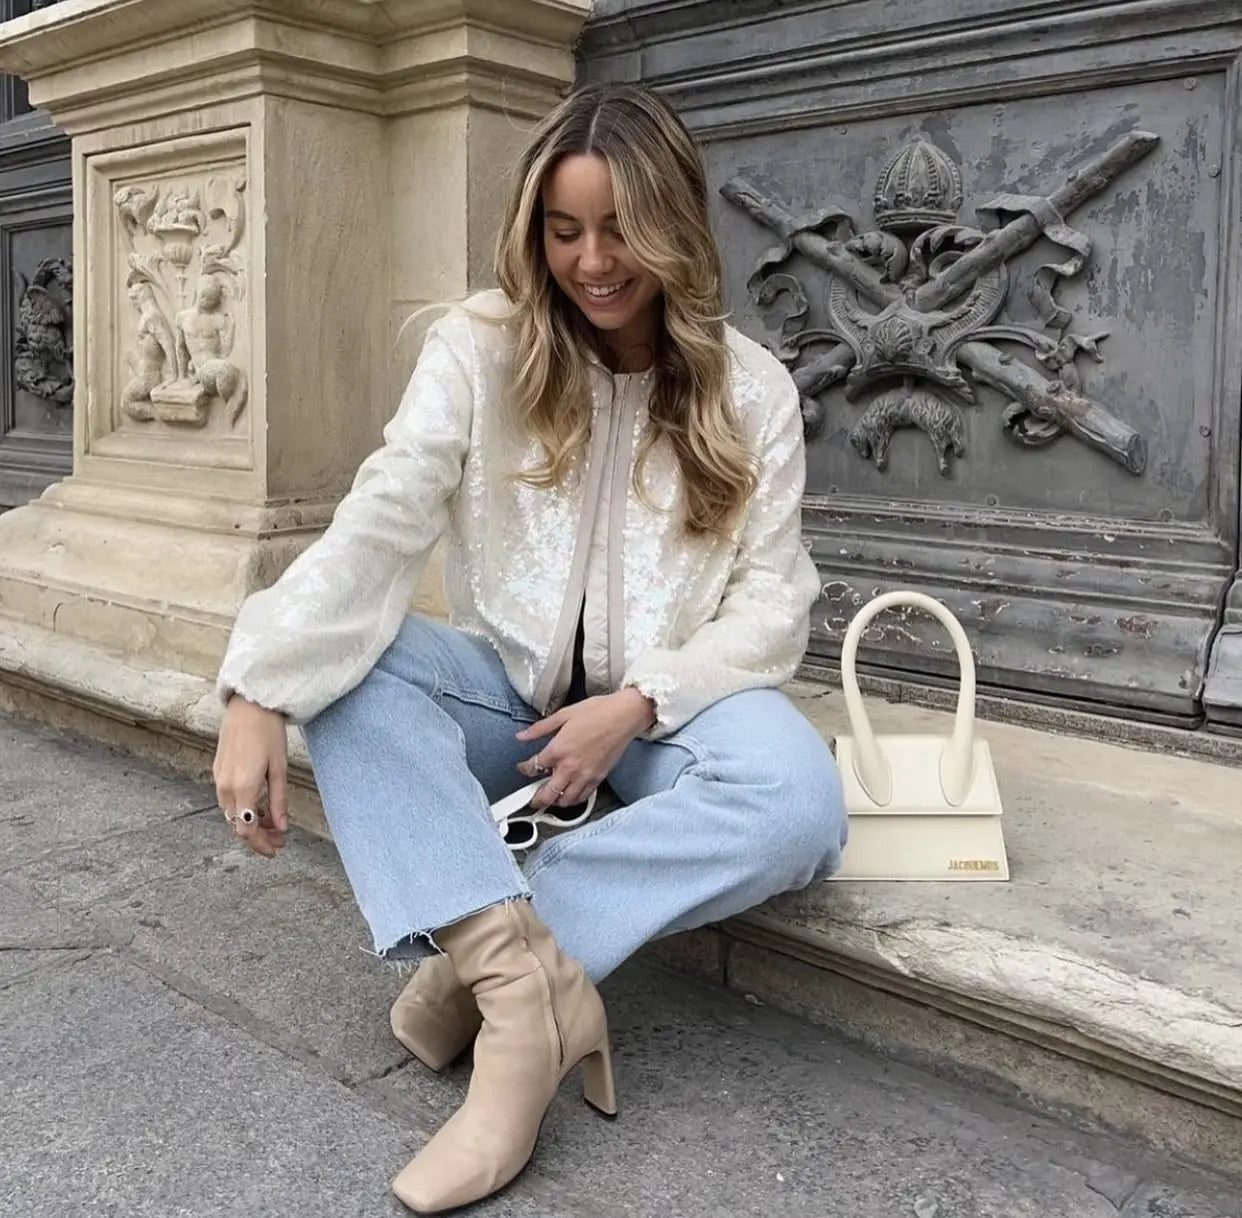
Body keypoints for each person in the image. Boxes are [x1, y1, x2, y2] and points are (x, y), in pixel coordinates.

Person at [212, 84, 847, 1215]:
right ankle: (524, 999)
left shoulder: (751, 389)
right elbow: (384, 518)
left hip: (671, 712)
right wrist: (259, 685)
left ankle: (486, 960)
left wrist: (638, 703)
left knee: (798, 801)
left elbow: (770, 602)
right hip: (511, 700)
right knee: (354, 672)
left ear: (674, 227)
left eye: (621, 230)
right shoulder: (479, 350)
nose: (593, 262)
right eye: (565, 231)